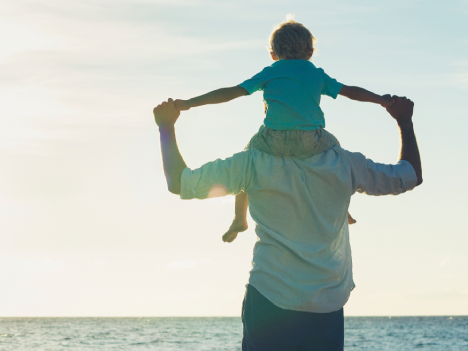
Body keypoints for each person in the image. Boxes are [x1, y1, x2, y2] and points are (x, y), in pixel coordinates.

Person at [153, 95, 422, 350]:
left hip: (270, 300)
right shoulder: (344, 163)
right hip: (324, 305)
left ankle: (239, 220)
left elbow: (180, 182)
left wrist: (166, 127)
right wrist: (404, 122)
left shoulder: (252, 161)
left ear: (269, 111)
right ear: (315, 108)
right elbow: (408, 175)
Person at [173, 17, 391, 242]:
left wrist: (190, 103)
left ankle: (240, 218)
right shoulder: (315, 73)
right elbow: (351, 91)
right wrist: (380, 99)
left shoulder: (270, 72)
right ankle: (342, 208)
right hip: (312, 140)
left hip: (273, 139)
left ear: (273, 54)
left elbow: (231, 92)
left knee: (248, 164)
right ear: (310, 51)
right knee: (336, 154)